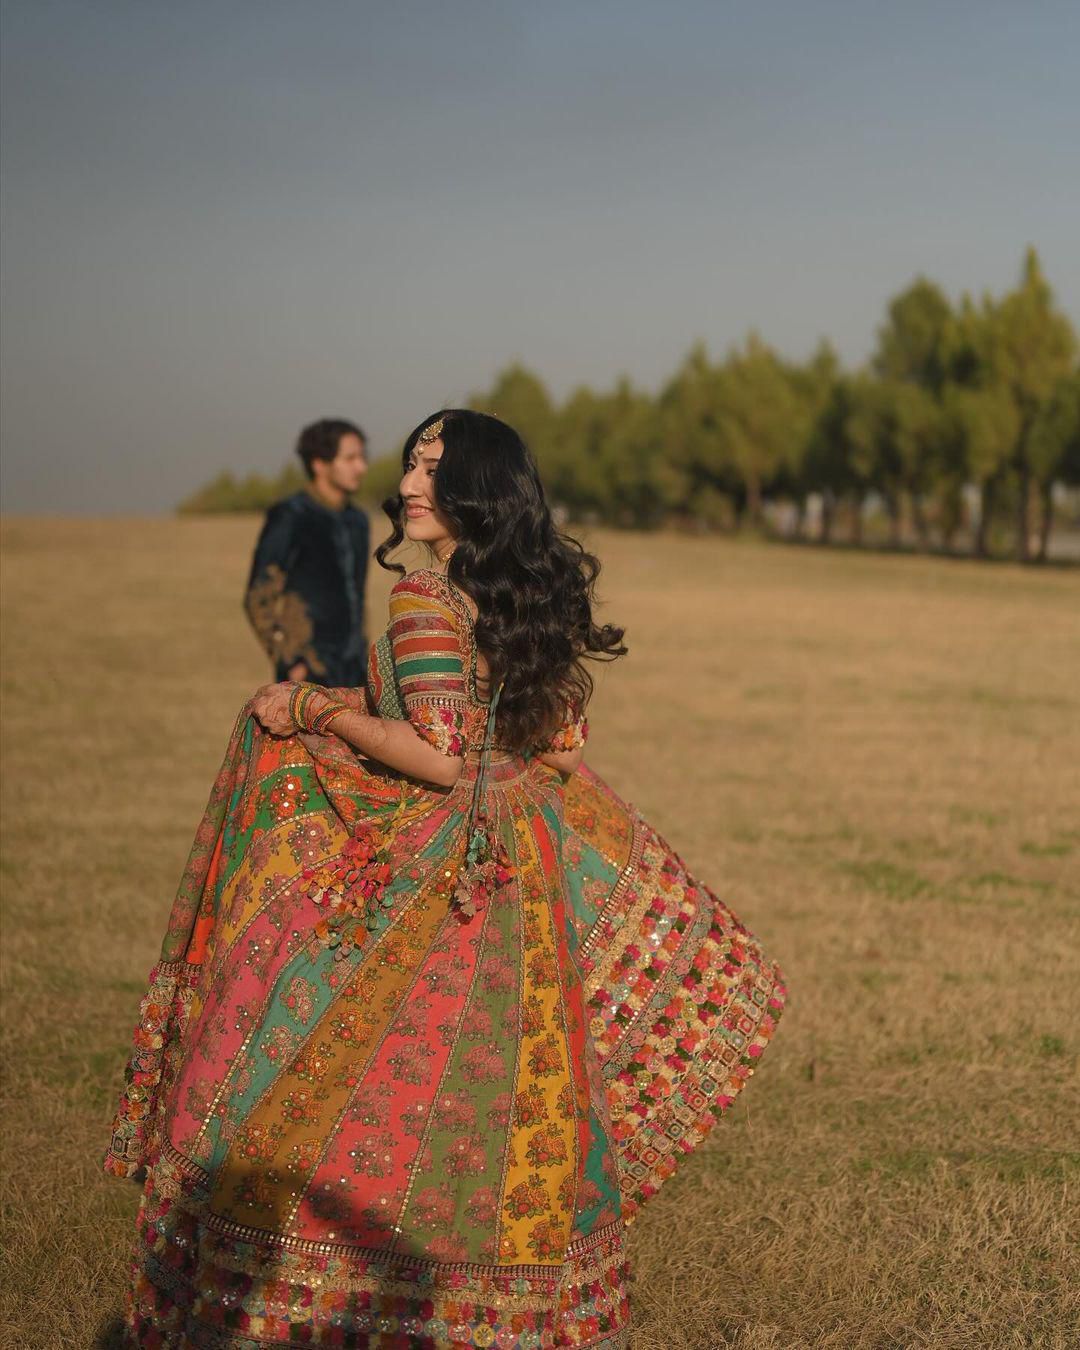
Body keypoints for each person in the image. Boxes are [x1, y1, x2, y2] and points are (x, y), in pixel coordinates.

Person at [106, 410, 786, 1348]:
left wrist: (312, 707)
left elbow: (436, 757)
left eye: (436, 465)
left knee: (336, 1077)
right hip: (526, 866)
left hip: (445, 868)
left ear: (475, 487)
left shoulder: (425, 597)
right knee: (509, 1098)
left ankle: (329, 1296)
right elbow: (556, 750)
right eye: (411, 461)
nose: (411, 479)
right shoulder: (510, 599)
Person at [244, 418, 370, 688]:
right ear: (319, 464)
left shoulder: (358, 520)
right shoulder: (291, 516)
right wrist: (290, 662)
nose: (361, 467)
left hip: (355, 671)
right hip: (308, 672)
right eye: (350, 458)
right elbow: (259, 596)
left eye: (362, 457)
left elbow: (356, 597)